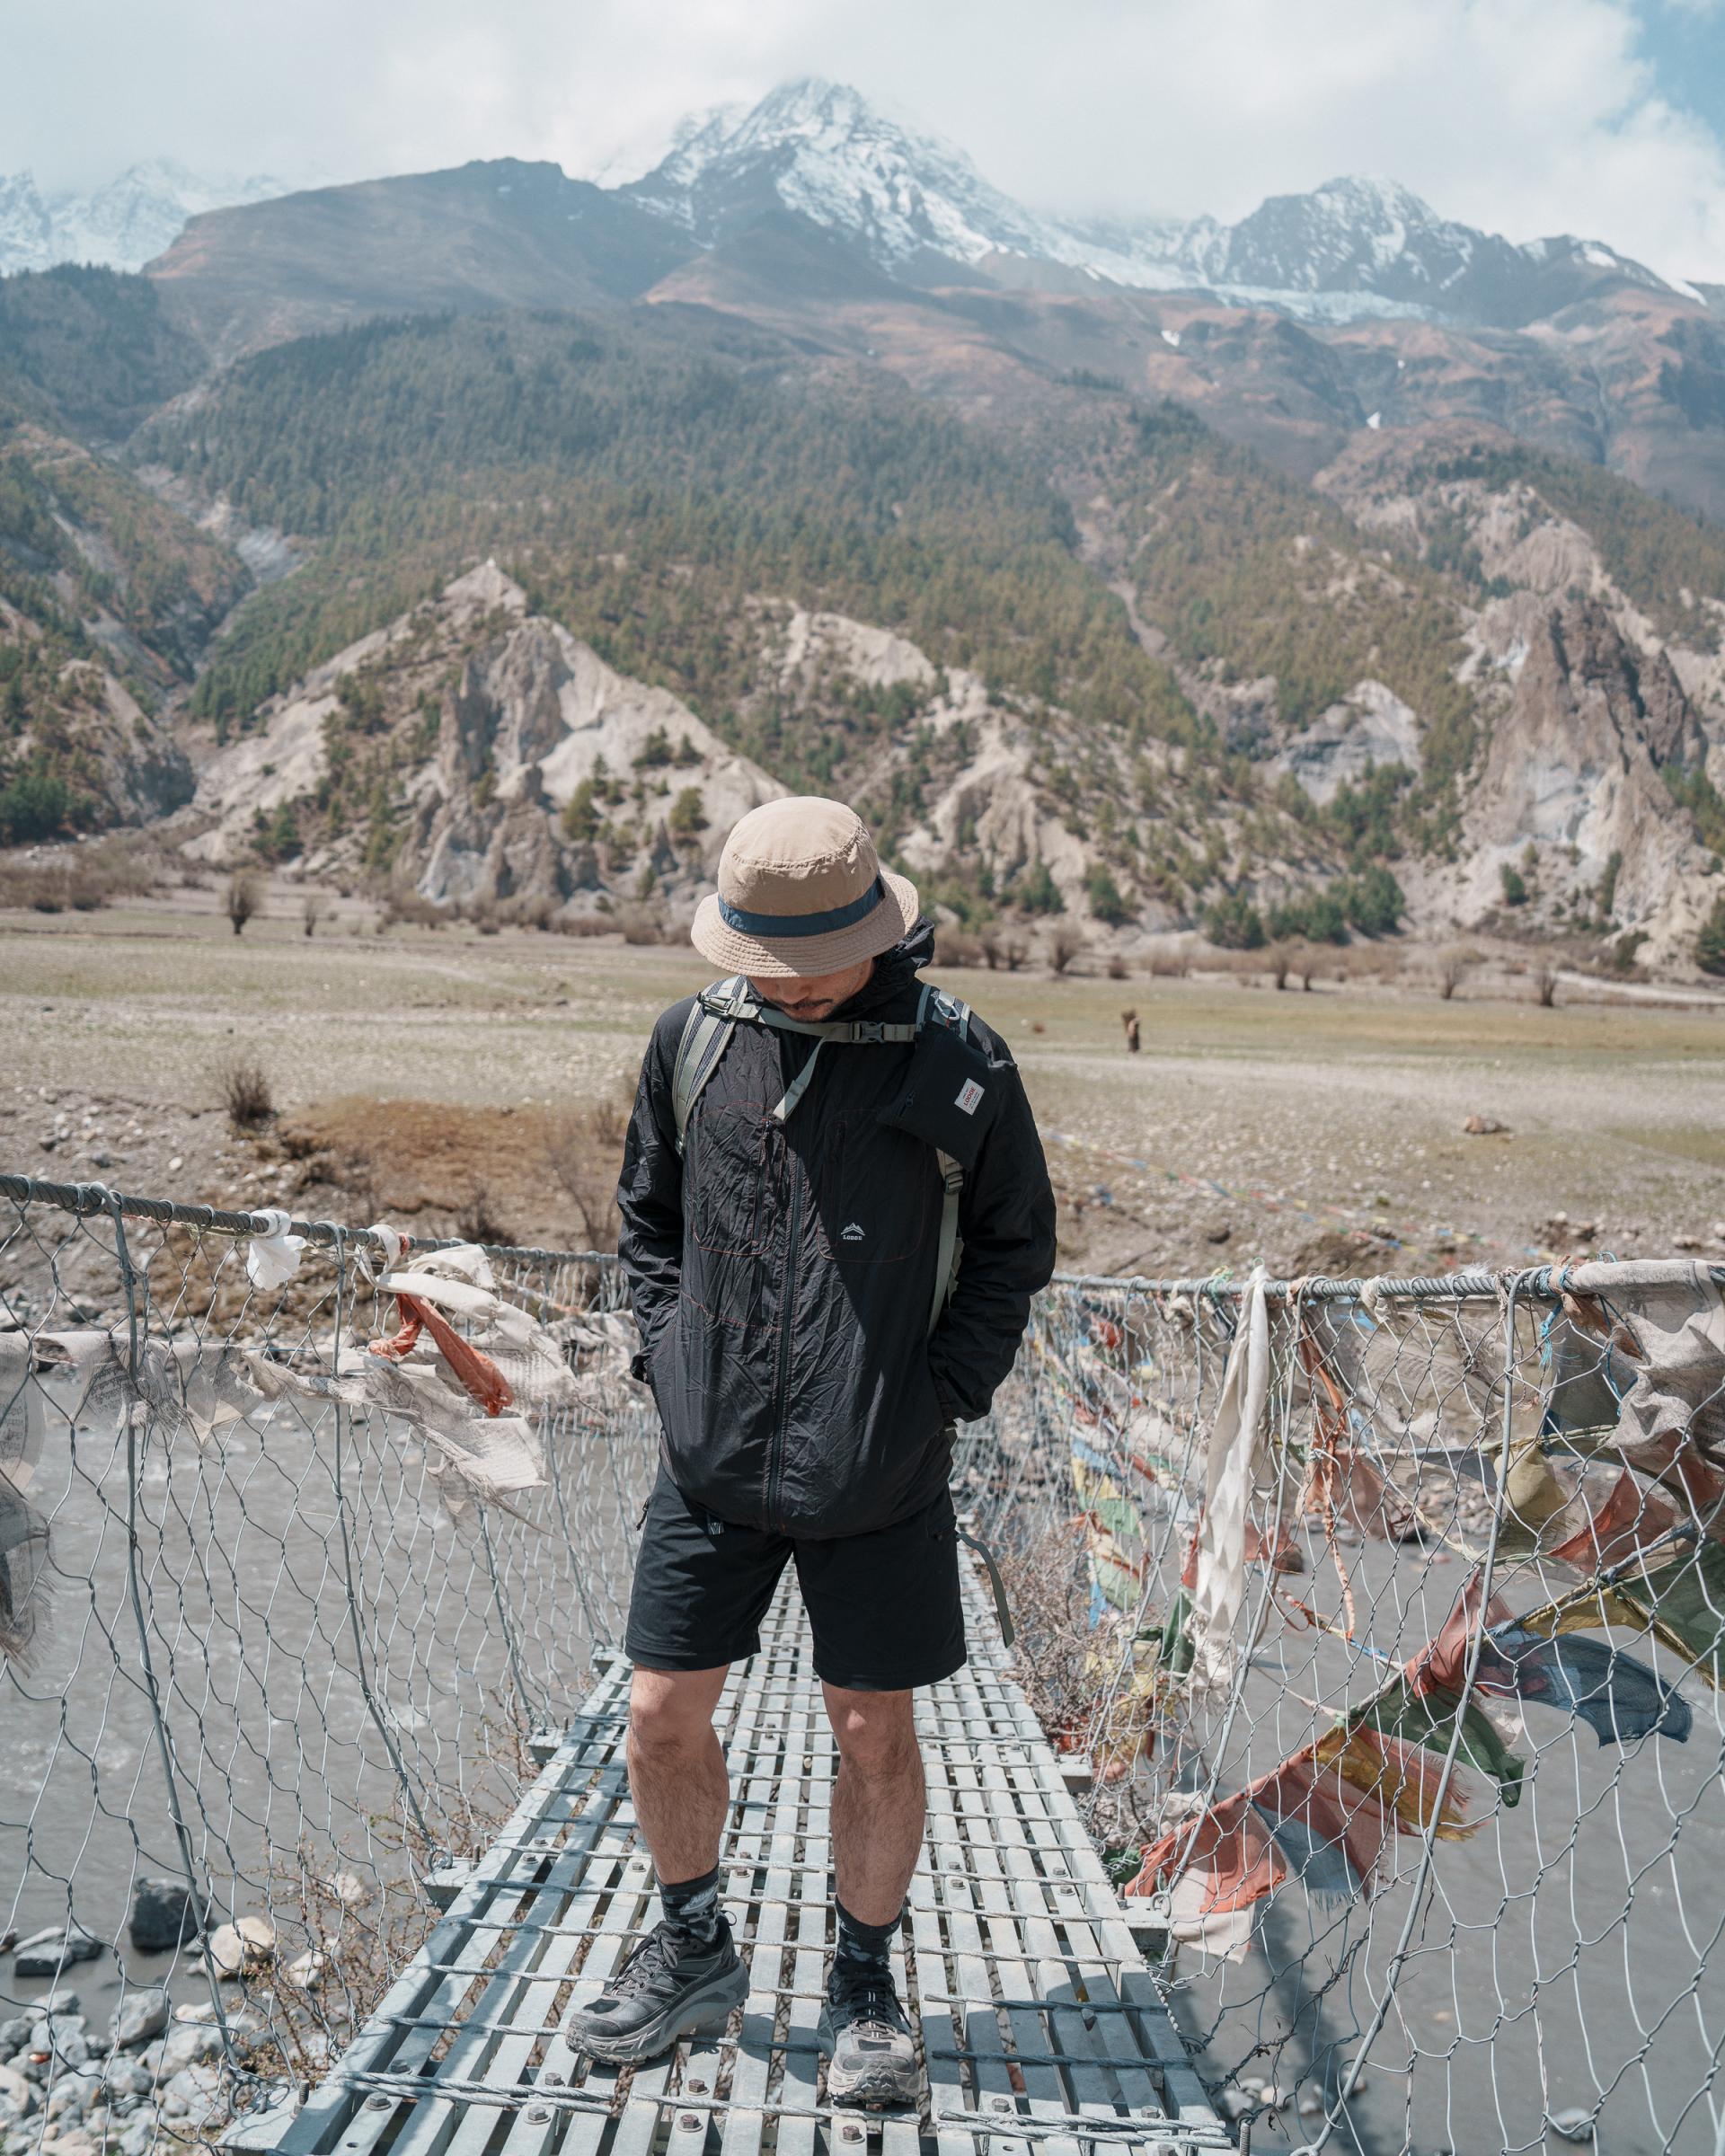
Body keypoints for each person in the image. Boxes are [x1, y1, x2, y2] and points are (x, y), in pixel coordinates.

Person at [564, 796, 1057, 2108]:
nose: (780, 984)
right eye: (763, 960)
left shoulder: (961, 1061)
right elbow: (648, 1218)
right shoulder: (693, 1040)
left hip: (880, 1469)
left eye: (807, 961)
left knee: (872, 1730)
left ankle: (863, 1986)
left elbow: (1015, 1247)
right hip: (710, 1456)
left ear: (874, 931)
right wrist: (669, 1362)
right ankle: (690, 1946)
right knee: (658, 1714)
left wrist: (936, 1398)